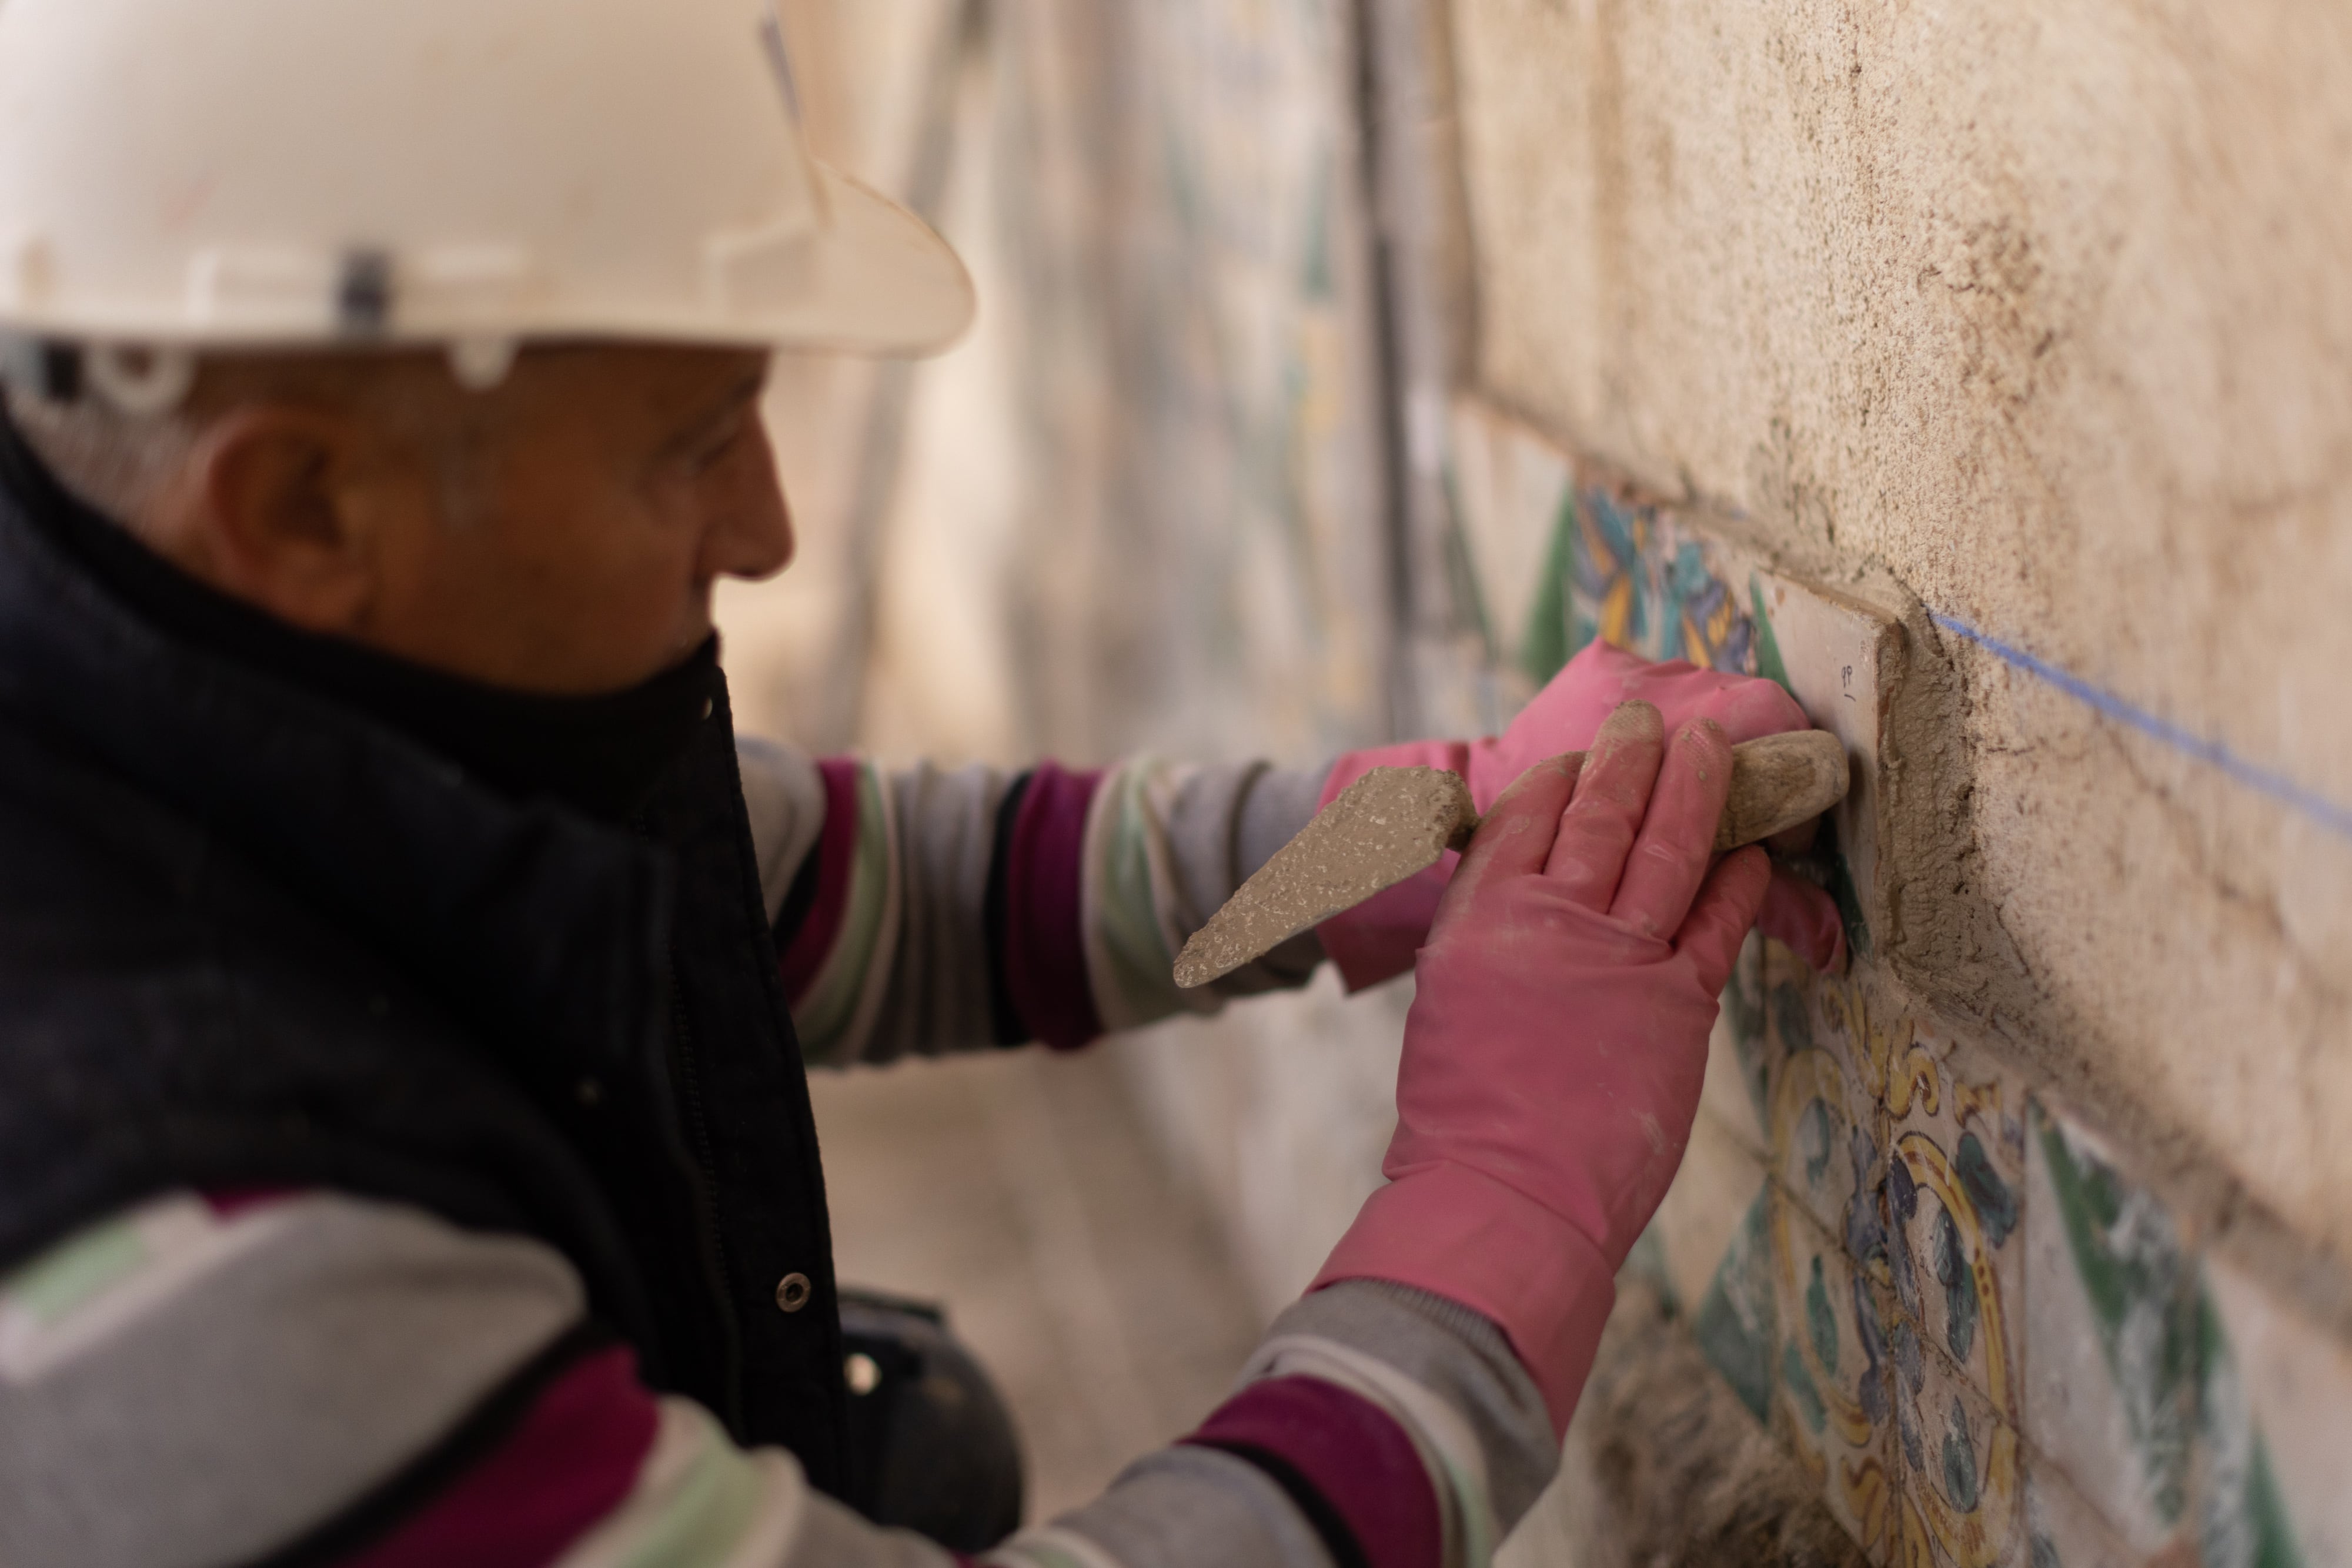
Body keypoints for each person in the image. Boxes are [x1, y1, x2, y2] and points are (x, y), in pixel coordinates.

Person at [0, 1, 1844, 1564]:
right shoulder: (197, 1274)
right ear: (304, 504)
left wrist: (1417, 824)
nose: (770, 528)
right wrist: (1506, 1202)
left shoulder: (225, 665)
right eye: (695, 449)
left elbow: (863, 898)